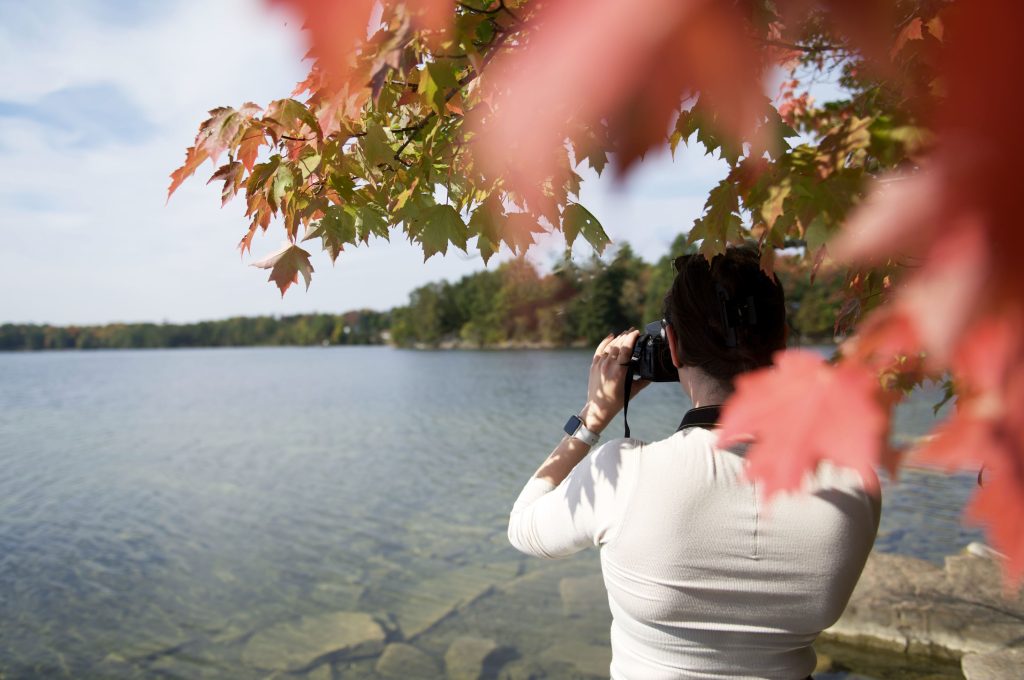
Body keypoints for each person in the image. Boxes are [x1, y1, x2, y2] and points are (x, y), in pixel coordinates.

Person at [507, 246, 880, 680]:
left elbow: (523, 526)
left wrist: (592, 418)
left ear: (674, 347)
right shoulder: (855, 480)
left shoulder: (625, 475)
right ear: (782, 344)